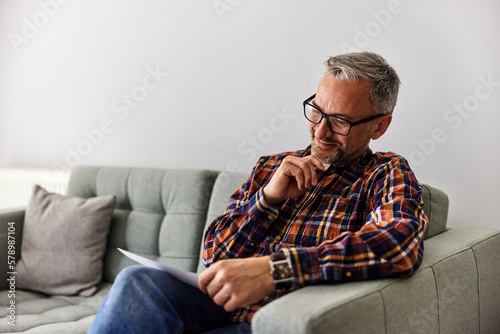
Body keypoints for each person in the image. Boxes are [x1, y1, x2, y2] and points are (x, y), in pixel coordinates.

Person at [88, 51, 429, 334]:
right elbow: (213, 255)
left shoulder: (385, 172)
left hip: (280, 319)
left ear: (379, 126)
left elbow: (397, 244)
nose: (320, 131)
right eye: (317, 112)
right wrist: (267, 200)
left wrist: (274, 270)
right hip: (219, 305)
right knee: (137, 281)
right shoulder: (272, 167)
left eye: (340, 121)